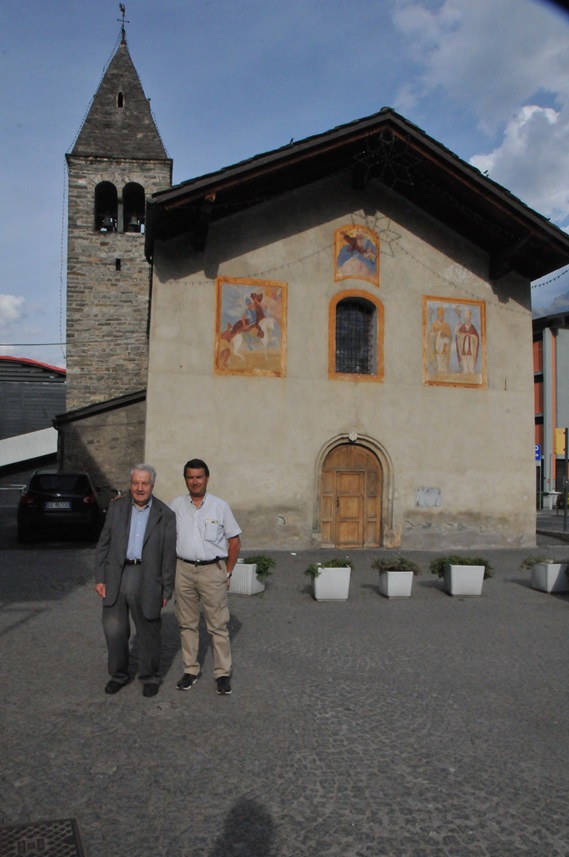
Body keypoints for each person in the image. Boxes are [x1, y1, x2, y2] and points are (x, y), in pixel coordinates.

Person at [95, 464, 177, 698]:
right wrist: (100, 577)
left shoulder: (165, 515)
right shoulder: (116, 508)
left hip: (147, 575)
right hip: (117, 574)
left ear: (152, 485)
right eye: (135, 483)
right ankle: (118, 675)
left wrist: (166, 590)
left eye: (144, 483)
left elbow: (168, 555)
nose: (140, 488)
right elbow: (103, 544)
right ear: (130, 484)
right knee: (114, 629)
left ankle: (149, 676)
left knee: (148, 629)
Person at [170, 458, 241, 695]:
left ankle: (222, 673)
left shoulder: (220, 506)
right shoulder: (176, 506)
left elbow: (234, 542)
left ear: (207, 478)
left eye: (199, 477)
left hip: (212, 570)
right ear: (185, 479)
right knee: (187, 623)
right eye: (190, 477)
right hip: (183, 570)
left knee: (218, 625)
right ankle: (190, 670)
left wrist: (227, 571)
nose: (195, 482)